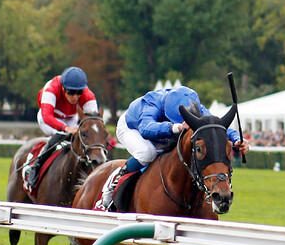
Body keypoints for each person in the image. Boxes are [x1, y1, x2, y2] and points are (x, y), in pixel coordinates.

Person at [99, 85, 250, 210]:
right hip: (133, 127)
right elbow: (146, 129)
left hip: (164, 127)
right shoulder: (152, 104)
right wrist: (176, 127)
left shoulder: (195, 106)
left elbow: (215, 127)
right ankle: (116, 180)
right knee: (147, 153)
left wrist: (237, 140)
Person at [22, 67, 98, 189]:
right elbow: (47, 116)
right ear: (63, 88)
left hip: (70, 117)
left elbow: (93, 121)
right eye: (71, 92)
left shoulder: (88, 95)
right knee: (61, 135)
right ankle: (36, 166)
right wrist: (65, 128)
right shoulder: (51, 88)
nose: (75, 97)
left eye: (79, 92)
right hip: (49, 118)